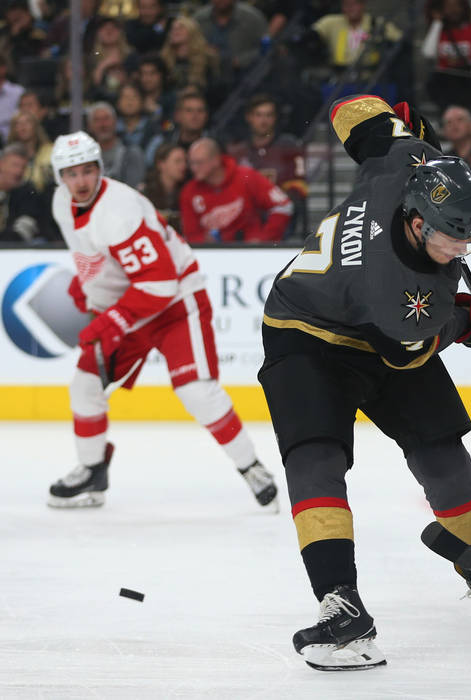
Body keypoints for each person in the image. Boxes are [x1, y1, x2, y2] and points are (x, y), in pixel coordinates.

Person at [258, 94, 471, 670]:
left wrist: (410, 137)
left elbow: (349, 109)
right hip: (305, 332)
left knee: (442, 452)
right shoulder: (407, 296)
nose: (463, 250)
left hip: (375, 320)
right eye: (452, 239)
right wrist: (470, 321)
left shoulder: (403, 164)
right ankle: (341, 604)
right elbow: (408, 353)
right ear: (416, 221)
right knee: (316, 456)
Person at [46, 131, 277, 509]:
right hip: (131, 305)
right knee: (85, 384)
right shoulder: (61, 203)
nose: (81, 181)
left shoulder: (117, 211)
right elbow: (99, 256)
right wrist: (88, 285)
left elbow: (161, 282)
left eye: (88, 171)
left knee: (196, 390)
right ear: (59, 178)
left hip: (175, 304)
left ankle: (251, 467)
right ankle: (92, 470)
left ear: (100, 169)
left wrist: (111, 320)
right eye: (71, 174)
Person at [226, 93, 307, 240]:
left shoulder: (288, 146)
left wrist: (276, 203)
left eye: (268, 115)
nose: (263, 121)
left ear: (275, 118)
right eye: (258, 115)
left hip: (282, 218)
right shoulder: (238, 152)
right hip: (246, 220)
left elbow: (299, 187)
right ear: (249, 117)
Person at [180, 137, 292, 243]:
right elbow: (191, 235)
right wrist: (204, 241)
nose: (193, 168)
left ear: (215, 160)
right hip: (213, 256)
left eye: (199, 162)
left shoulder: (245, 177)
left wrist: (264, 239)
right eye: (191, 163)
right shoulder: (189, 191)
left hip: (251, 254)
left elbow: (284, 205)